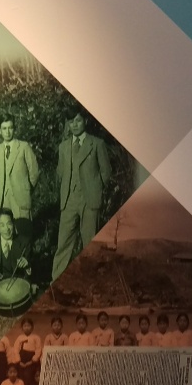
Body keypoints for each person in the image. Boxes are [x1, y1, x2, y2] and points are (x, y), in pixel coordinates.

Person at [51, 111, 111, 279]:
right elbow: (60, 172)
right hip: (68, 200)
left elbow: (106, 172)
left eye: (78, 120)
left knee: (90, 244)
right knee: (63, 243)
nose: (75, 125)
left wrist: (95, 189)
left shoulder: (97, 144)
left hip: (89, 201)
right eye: (71, 122)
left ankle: (91, 282)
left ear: (85, 121)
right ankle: (56, 281)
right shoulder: (63, 147)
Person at [0, 114, 39, 239]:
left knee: (23, 230)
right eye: (4, 128)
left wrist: (26, 189)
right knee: (7, 231)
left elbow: (34, 172)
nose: (7, 132)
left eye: (10, 128)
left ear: (14, 128)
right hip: (4, 198)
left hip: (21, 197)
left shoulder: (23, 147)